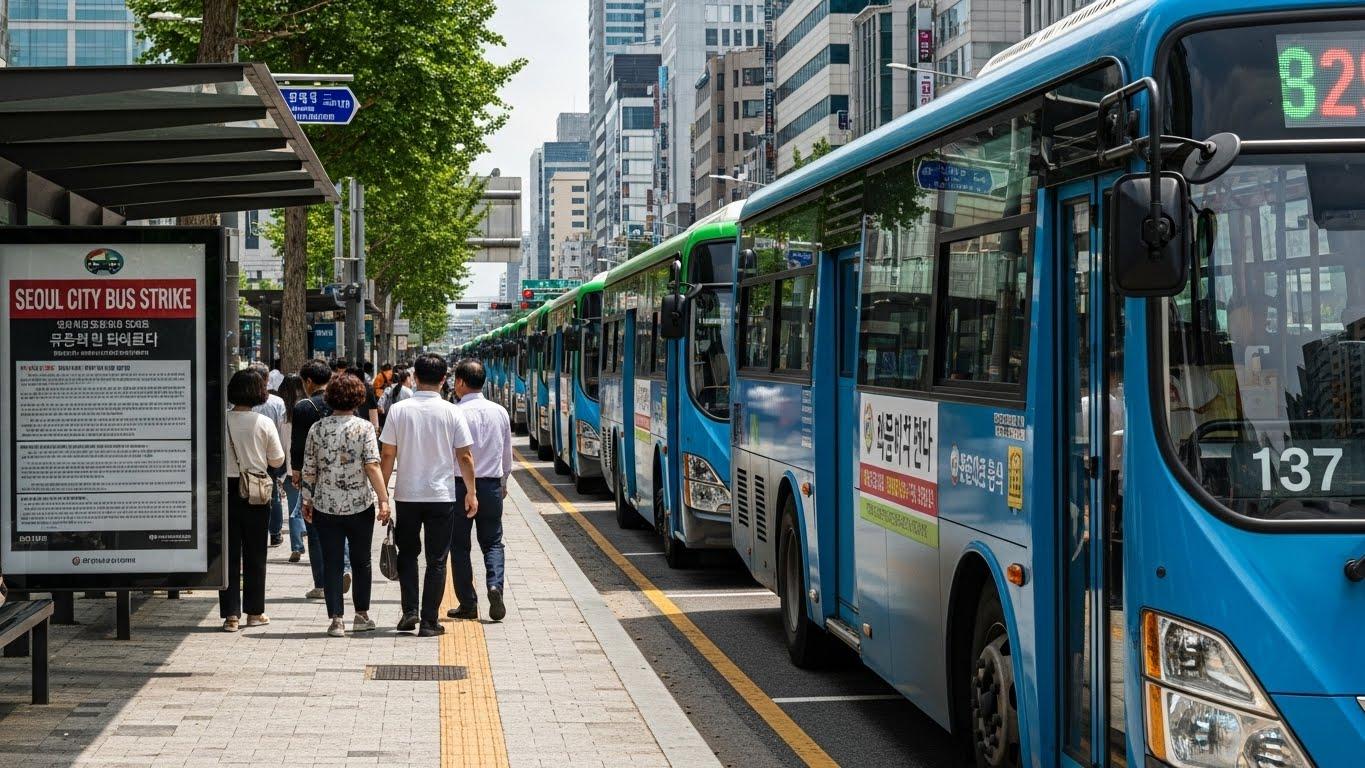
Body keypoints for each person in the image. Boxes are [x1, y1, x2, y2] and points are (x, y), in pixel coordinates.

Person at [380, 353, 478, 636]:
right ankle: (429, 620)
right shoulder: (452, 411)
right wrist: (471, 492)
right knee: (437, 559)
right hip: (441, 496)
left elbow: (387, 454)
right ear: (444, 379)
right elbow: (465, 456)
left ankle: (409, 611)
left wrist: (383, 495)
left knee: (407, 554)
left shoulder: (399, 410)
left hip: (407, 495)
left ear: (416, 378)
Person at [301, 374, 389, 637]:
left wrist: (307, 499)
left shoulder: (317, 428)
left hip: (325, 505)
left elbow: (309, 469)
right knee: (362, 561)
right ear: (358, 398)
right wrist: (384, 499)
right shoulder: (364, 428)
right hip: (360, 505)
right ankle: (361, 615)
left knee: (332, 562)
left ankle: (336, 619)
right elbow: (372, 465)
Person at [448, 359, 512, 622]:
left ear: (461, 382)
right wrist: (504, 482)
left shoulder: (454, 413)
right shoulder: (500, 411)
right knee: (493, 542)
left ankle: (468, 603)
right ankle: (494, 586)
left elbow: (451, 455)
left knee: (459, 546)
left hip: (460, 486)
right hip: (491, 485)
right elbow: (507, 454)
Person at [222, 369, 285, 632]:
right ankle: (254, 612)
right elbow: (277, 460)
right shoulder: (263, 422)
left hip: (225, 489)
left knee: (229, 554)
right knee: (255, 553)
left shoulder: (221, 420)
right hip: (256, 491)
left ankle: (230, 616)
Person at [291, 360, 351, 599]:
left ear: (308, 381)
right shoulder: (340, 402)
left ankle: (322, 583)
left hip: (312, 474)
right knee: (340, 521)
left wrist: (296, 472)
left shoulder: (304, 406)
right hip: (341, 471)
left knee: (314, 528)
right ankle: (345, 567)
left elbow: (297, 444)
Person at [248, 362, 288, 548]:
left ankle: (255, 533)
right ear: (267, 379)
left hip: (248, 455)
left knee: (249, 494)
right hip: (272, 456)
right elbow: (281, 431)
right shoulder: (277, 402)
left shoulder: (240, 402)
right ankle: (275, 533)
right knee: (273, 495)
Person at [277, 374, 309, 563]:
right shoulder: (308, 411)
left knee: (293, 509)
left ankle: (296, 546)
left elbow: (281, 446)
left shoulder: (284, 417)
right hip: (310, 471)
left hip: (290, 470)